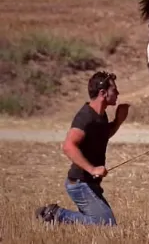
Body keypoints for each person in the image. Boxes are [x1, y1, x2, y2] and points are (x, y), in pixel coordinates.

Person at [35, 71, 130, 226]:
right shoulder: (85, 117)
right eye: (114, 90)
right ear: (103, 93)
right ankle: (55, 214)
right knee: (106, 224)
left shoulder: (100, 115)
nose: (118, 93)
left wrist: (118, 121)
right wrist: (92, 169)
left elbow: (103, 135)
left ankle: (58, 217)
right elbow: (68, 146)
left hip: (90, 184)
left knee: (101, 222)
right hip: (80, 183)